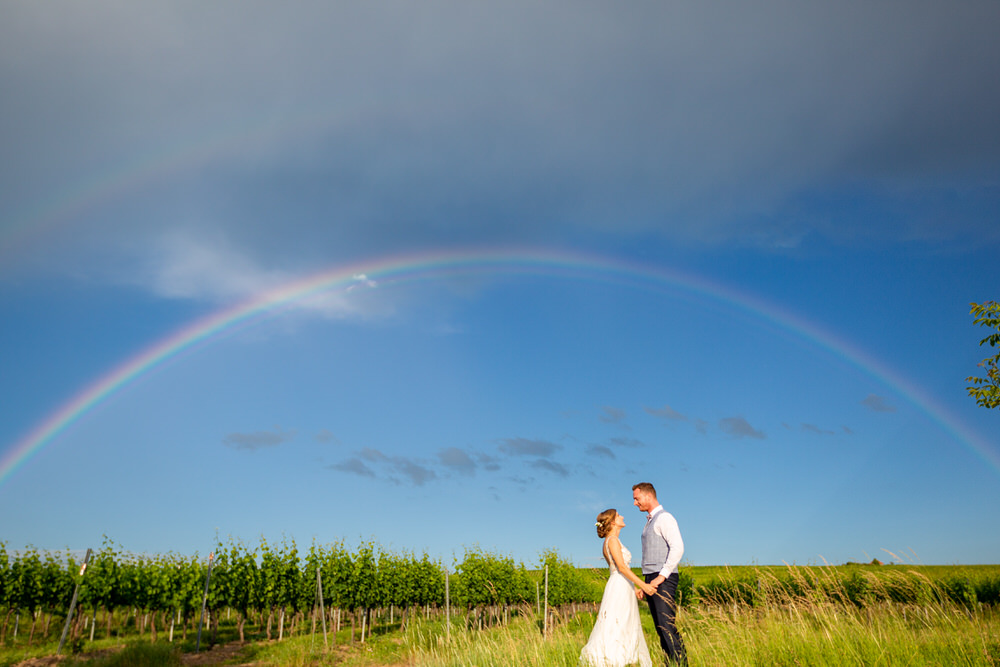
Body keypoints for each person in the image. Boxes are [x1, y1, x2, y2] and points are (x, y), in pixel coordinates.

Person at [580, 508, 657, 667]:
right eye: (619, 515)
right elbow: (621, 568)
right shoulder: (612, 540)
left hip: (621, 585)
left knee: (622, 622)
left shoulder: (610, 540)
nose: (622, 516)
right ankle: (613, 660)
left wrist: (634, 588)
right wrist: (644, 586)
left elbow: (617, 569)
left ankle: (619, 658)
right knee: (617, 623)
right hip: (619, 587)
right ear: (613, 522)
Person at [632, 482, 687, 665]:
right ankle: (670, 663)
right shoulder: (649, 521)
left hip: (664, 578)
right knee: (659, 627)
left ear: (648, 496)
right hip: (652, 578)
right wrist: (645, 583)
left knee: (666, 626)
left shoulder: (665, 518)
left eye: (637, 498)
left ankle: (680, 664)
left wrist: (661, 577)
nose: (635, 503)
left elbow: (678, 548)